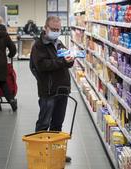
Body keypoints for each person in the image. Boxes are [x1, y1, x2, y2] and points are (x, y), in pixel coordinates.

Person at [30, 16, 74, 162]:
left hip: (62, 89)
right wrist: (62, 62)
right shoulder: (38, 46)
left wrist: (70, 60)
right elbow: (42, 65)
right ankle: (40, 154)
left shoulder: (59, 43)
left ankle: (56, 153)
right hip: (48, 90)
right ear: (46, 28)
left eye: (58, 29)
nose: (56, 32)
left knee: (57, 124)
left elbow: (66, 63)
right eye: (53, 29)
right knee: (44, 123)